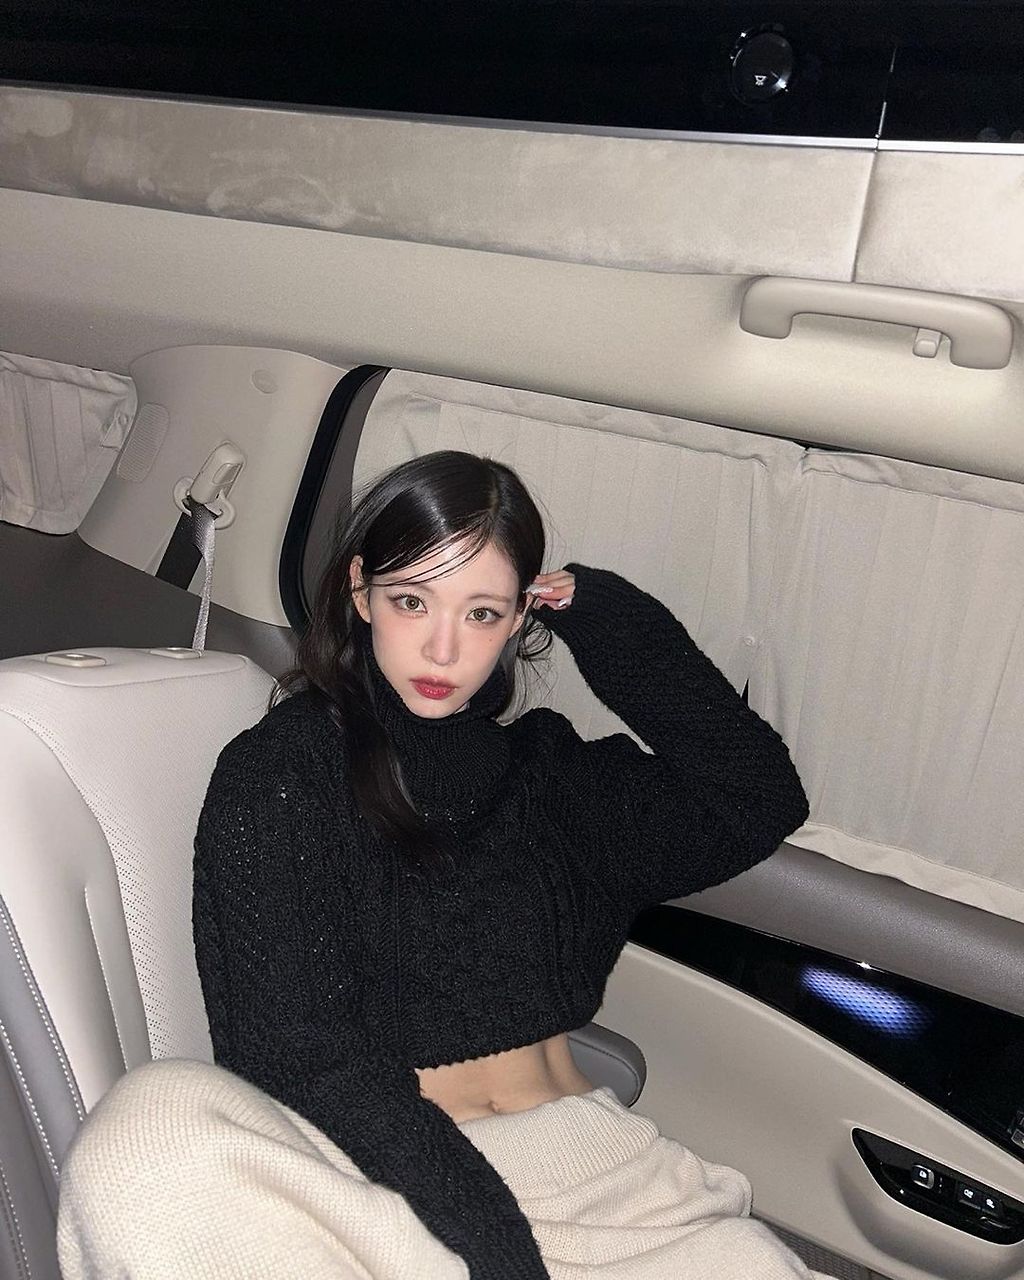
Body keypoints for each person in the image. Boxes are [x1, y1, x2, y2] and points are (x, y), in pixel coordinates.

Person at [57, 449, 830, 1280]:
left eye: (483, 613)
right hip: (398, 1194)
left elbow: (755, 798)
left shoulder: (550, 775)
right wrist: (497, 1255)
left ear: (520, 618)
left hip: (617, 1189)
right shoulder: (282, 775)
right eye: (412, 600)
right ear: (361, 591)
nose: (443, 646)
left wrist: (611, 621)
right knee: (147, 1126)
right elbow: (296, 1055)